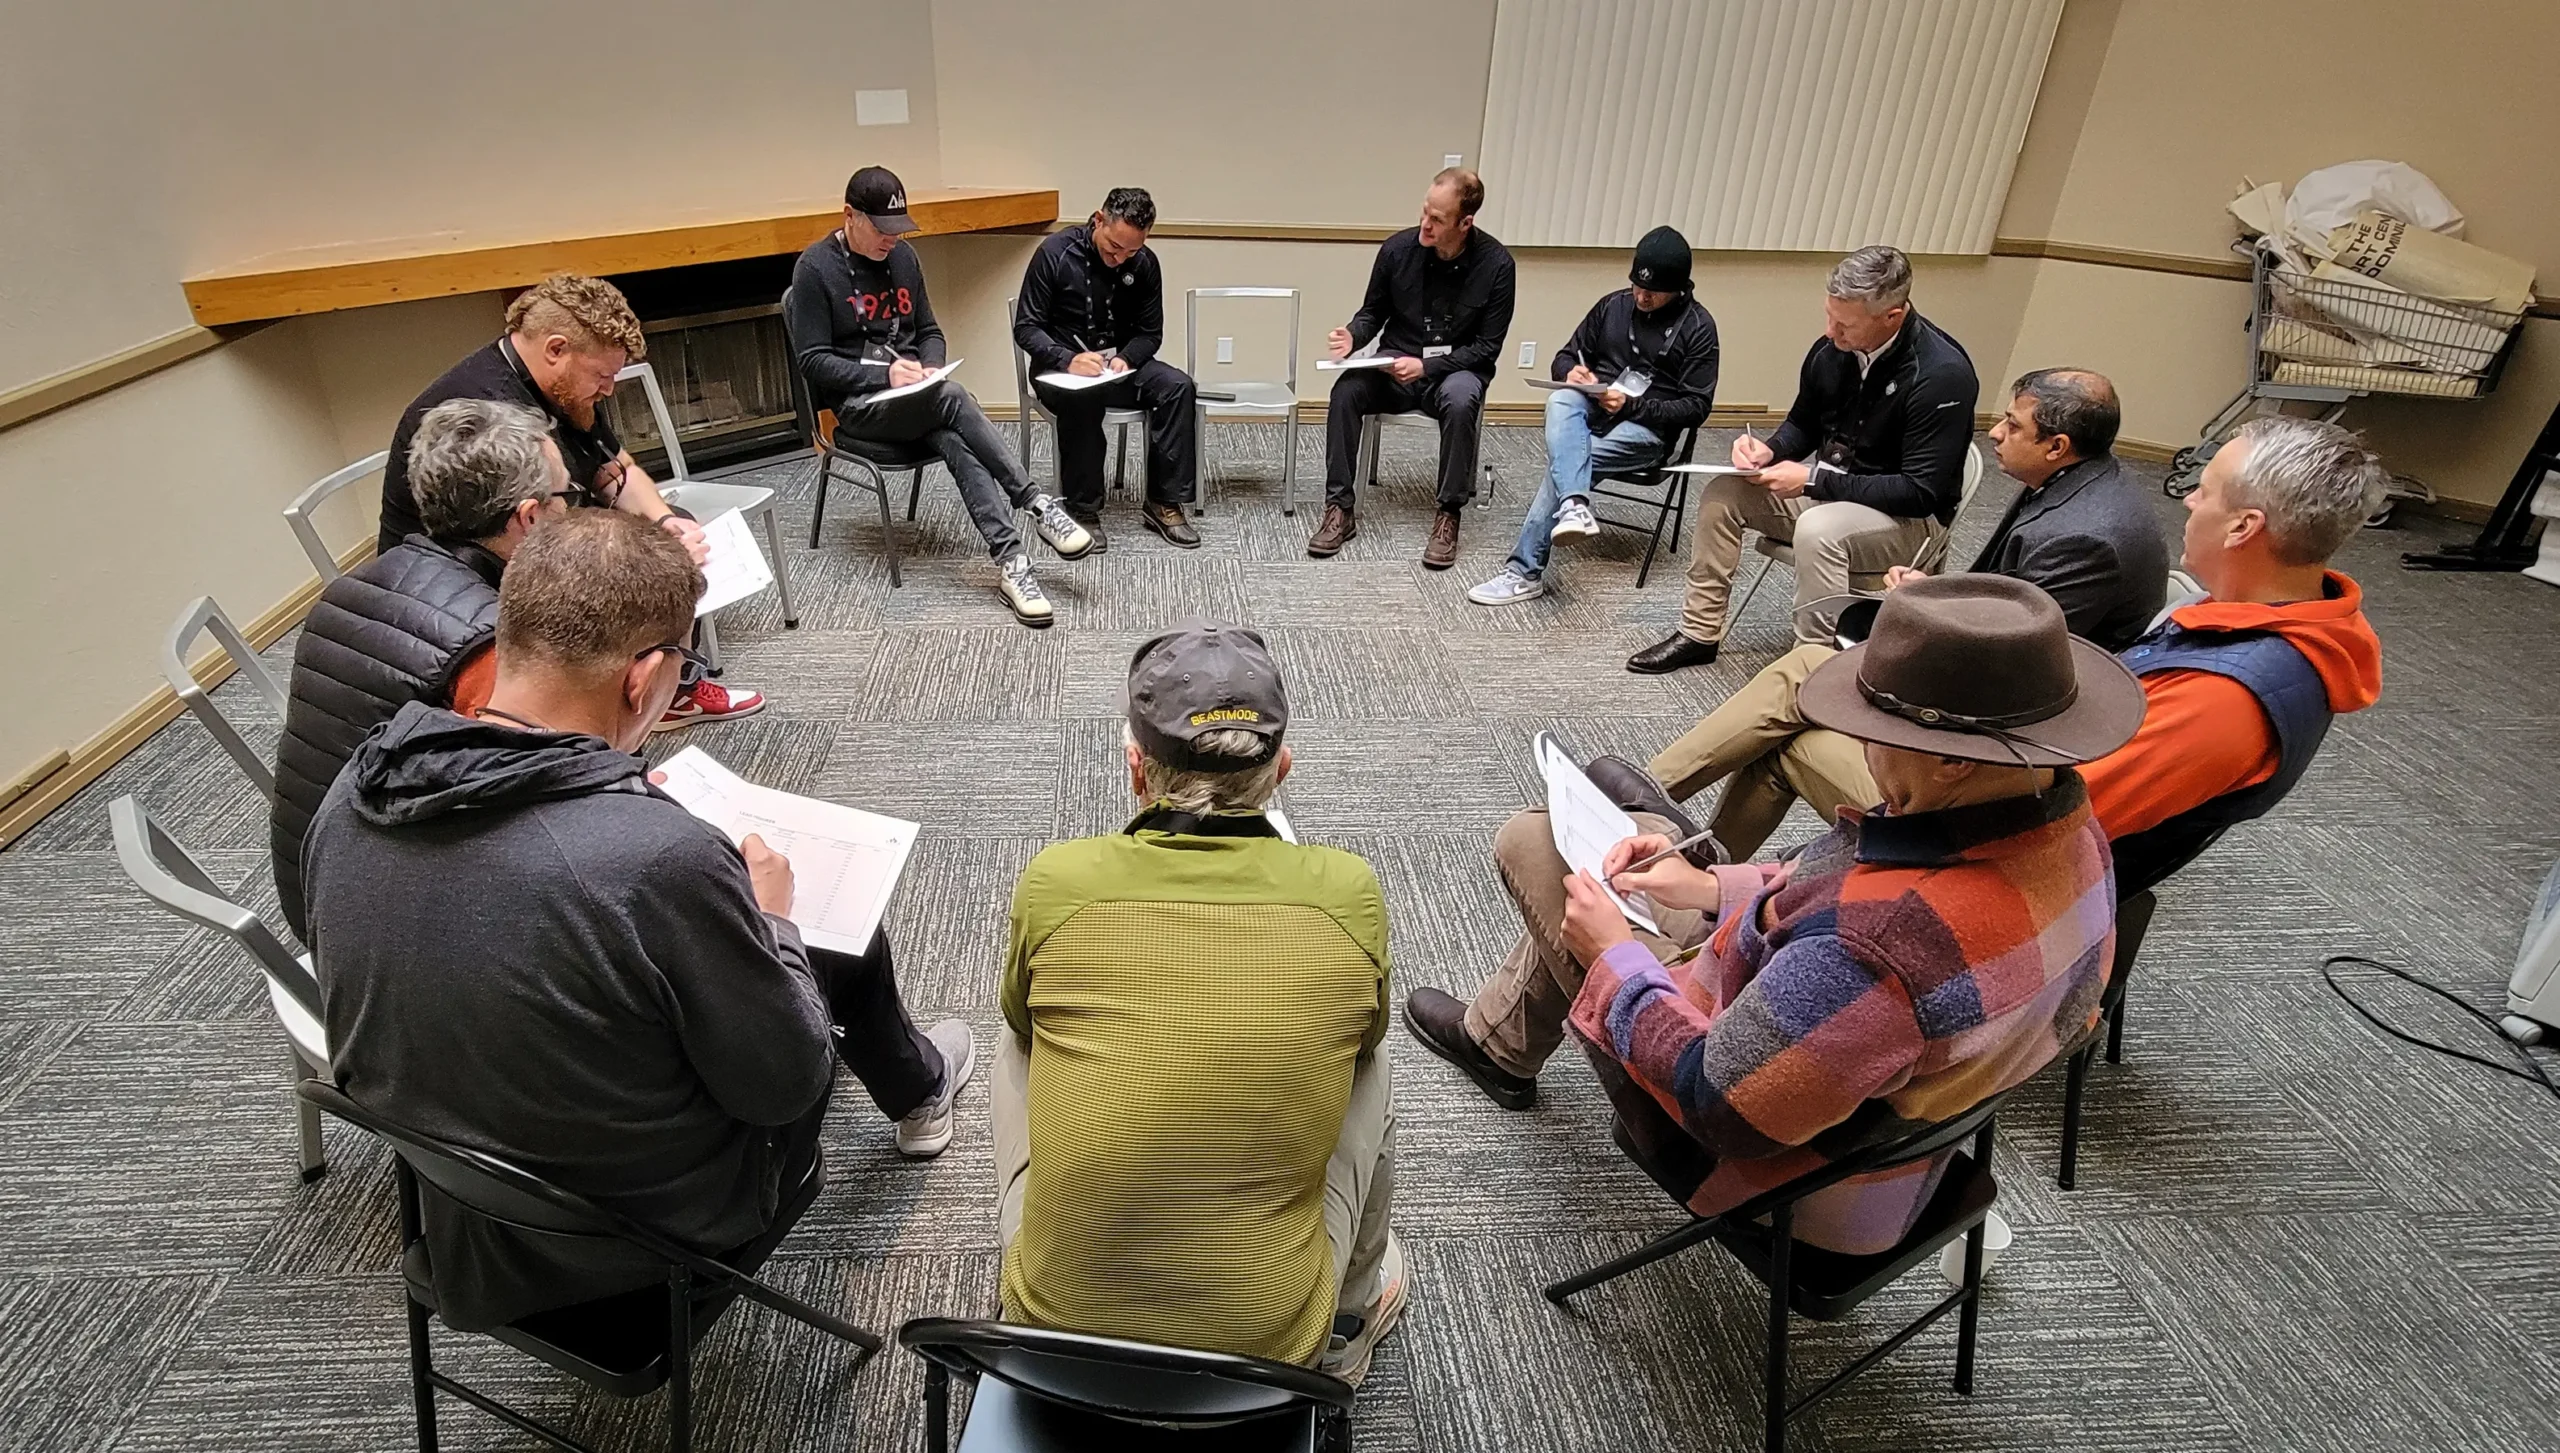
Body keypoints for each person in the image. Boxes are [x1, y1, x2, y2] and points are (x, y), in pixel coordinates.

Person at [302, 511, 977, 1332]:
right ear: (644, 676)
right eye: (685, 666)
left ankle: (912, 1076)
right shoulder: (656, 861)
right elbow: (788, 1085)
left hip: (460, 1212)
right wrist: (771, 919)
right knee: (835, 927)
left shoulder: (352, 795)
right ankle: (920, 1088)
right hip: (650, 1236)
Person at [1407, 574, 2141, 1254]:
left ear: (1953, 759)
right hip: (1898, 1133)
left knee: (1538, 843)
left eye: (1876, 728)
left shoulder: (1876, 947)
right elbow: (1844, 887)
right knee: (1621, 855)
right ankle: (1500, 1043)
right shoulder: (2074, 837)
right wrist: (1708, 887)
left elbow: (1717, 1103)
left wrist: (1611, 959)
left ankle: (1498, 1046)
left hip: (1785, 1179)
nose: (1861, 744)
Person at [1641, 413, 2385, 874]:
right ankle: (1674, 847)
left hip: (2001, 852)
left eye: (2206, 491)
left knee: (1798, 719)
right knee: (1808, 675)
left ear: (2245, 528)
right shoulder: (2264, 625)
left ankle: (1669, 849)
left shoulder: (2227, 699)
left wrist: (1913, 738)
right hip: (2017, 781)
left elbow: (2050, 817)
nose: (2188, 500)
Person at [994, 625, 1403, 1380]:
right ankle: (1346, 1326)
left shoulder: (1057, 879)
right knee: (1370, 1063)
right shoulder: (1350, 892)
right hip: (1268, 1352)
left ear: (1136, 771)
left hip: (1054, 1340)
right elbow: (1368, 1032)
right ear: (1282, 769)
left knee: (1019, 1034)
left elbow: (1022, 1018)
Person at [1641, 367, 2169, 853]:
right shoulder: (2075, 488)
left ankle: (1641, 810)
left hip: (1986, 767)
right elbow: (2004, 607)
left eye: (2012, 425)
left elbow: (2006, 676)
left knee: (1791, 718)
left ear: (2057, 446)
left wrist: (1917, 627)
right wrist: (1932, 595)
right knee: (1802, 673)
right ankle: (1671, 836)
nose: (1995, 433)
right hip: (1985, 724)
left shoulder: (2085, 540)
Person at [377, 273, 764, 729]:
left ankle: (663, 686)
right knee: (648, 563)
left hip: (529, 531)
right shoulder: (488, 409)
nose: (609, 389)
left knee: (668, 529)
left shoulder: (561, 389)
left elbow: (613, 467)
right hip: (466, 571)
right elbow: (527, 533)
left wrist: (664, 521)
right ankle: (624, 701)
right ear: (556, 349)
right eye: (602, 375)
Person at [270, 399, 566, 940]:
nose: (570, 511)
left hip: (311, 887)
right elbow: (545, 807)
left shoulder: (346, 591)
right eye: (564, 497)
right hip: (382, 930)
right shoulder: (484, 650)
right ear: (528, 518)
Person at [1628, 245, 1978, 673]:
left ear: (1892, 316)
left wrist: (1812, 481)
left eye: (1845, 324)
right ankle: (1699, 634)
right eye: (1829, 316)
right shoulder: (1833, 351)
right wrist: (1770, 450)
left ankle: (1812, 666)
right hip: (1833, 490)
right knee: (1723, 494)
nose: (1831, 332)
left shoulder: (1942, 375)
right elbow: (1803, 424)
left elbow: (1920, 492)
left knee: (1818, 529)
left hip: (1908, 521)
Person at [788, 165, 1093, 627]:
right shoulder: (815, 268)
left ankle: (1013, 563)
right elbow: (812, 362)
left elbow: (929, 331)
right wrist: (886, 375)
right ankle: (1035, 502)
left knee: (953, 433)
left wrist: (930, 366)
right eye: (881, 229)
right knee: (952, 399)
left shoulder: (904, 259)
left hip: (919, 398)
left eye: (897, 228)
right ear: (850, 215)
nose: (892, 239)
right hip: (859, 408)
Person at [1469, 226, 1721, 606]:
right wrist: (1570, 372)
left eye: (1653, 291)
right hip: (1595, 408)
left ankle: (1524, 571)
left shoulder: (1699, 328)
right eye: (1637, 285)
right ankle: (1575, 507)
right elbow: (1565, 355)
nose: (1642, 296)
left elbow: (1697, 407)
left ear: (1680, 289)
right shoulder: (1612, 306)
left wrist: (1633, 406)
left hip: (1647, 431)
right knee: (1561, 399)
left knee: (1569, 461)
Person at [1310, 167, 1516, 570]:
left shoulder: (1497, 266)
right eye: (1424, 211)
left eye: (1437, 219)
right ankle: (1339, 508)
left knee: (1462, 399)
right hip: (1395, 367)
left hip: (1453, 371)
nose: (1425, 224)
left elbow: (1486, 348)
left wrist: (1427, 366)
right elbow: (1372, 312)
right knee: (1346, 390)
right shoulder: (1396, 251)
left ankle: (1448, 513)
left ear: (1465, 223)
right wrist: (1353, 335)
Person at [1013, 187, 1200, 551]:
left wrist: (1126, 358)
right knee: (1083, 398)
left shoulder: (1144, 264)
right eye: (1114, 247)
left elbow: (1150, 333)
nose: (1120, 258)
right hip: (1059, 369)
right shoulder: (1055, 252)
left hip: (1117, 367)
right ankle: (1082, 509)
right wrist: (1067, 359)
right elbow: (1026, 327)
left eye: (1131, 251)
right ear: (1099, 220)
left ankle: (1163, 502)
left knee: (1178, 386)